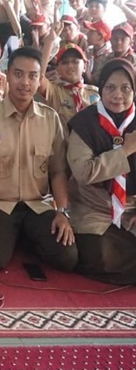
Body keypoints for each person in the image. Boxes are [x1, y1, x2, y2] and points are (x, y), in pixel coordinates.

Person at [0, 47, 78, 272]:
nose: (25, 82)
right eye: (18, 74)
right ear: (7, 76)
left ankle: (21, 235)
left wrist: (62, 212)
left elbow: (57, 172)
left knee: (67, 257)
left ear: (39, 80)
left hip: (37, 204)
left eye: (33, 76)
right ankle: (5, 233)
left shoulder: (50, 119)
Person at [68, 59, 136, 284]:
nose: (118, 95)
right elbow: (84, 172)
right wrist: (124, 151)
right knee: (99, 255)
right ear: (101, 89)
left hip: (131, 209)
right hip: (93, 209)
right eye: (110, 88)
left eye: (125, 88)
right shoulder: (85, 123)